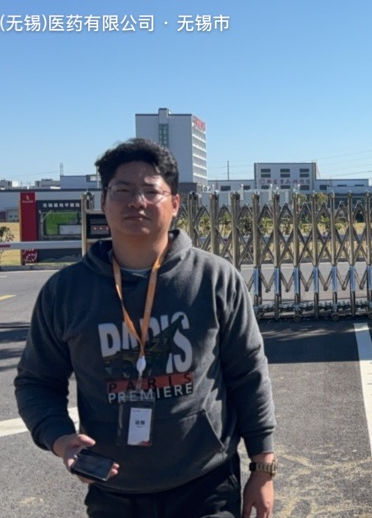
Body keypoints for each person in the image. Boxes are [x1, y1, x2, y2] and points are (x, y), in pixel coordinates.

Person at [15, 138, 277, 517]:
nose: (136, 201)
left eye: (151, 192)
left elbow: (248, 374)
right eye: (122, 190)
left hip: (207, 482)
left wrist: (263, 467)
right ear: (103, 201)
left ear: (175, 203)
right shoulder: (66, 291)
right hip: (113, 488)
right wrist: (59, 438)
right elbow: (36, 382)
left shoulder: (214, 279)